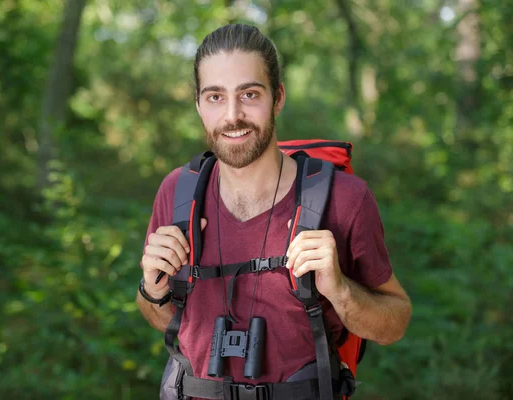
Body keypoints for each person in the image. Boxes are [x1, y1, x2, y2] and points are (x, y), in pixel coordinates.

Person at [136, 23, 412, 400]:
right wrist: (152, 290)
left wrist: (340, 291)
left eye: (249, 94)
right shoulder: (178, 193)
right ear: (198, 104)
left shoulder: (345, 199)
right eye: (215, 97)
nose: (233, 115)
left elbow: (394, 323)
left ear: (278, 97)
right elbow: (167, 321)